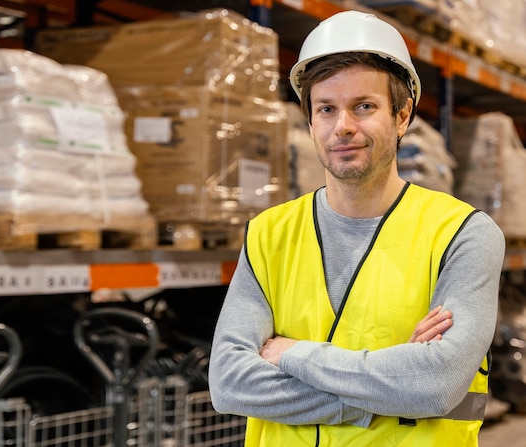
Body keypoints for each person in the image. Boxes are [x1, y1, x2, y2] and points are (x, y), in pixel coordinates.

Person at [208, 10, 506, 447]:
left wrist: (291, 353)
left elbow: (436, 385)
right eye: (326, 109)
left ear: (402, 117)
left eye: (364, 107)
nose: (343, 126)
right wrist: (386, 388)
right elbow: (230, 383)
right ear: (310, 121)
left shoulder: (463, 234)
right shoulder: (267, 234)